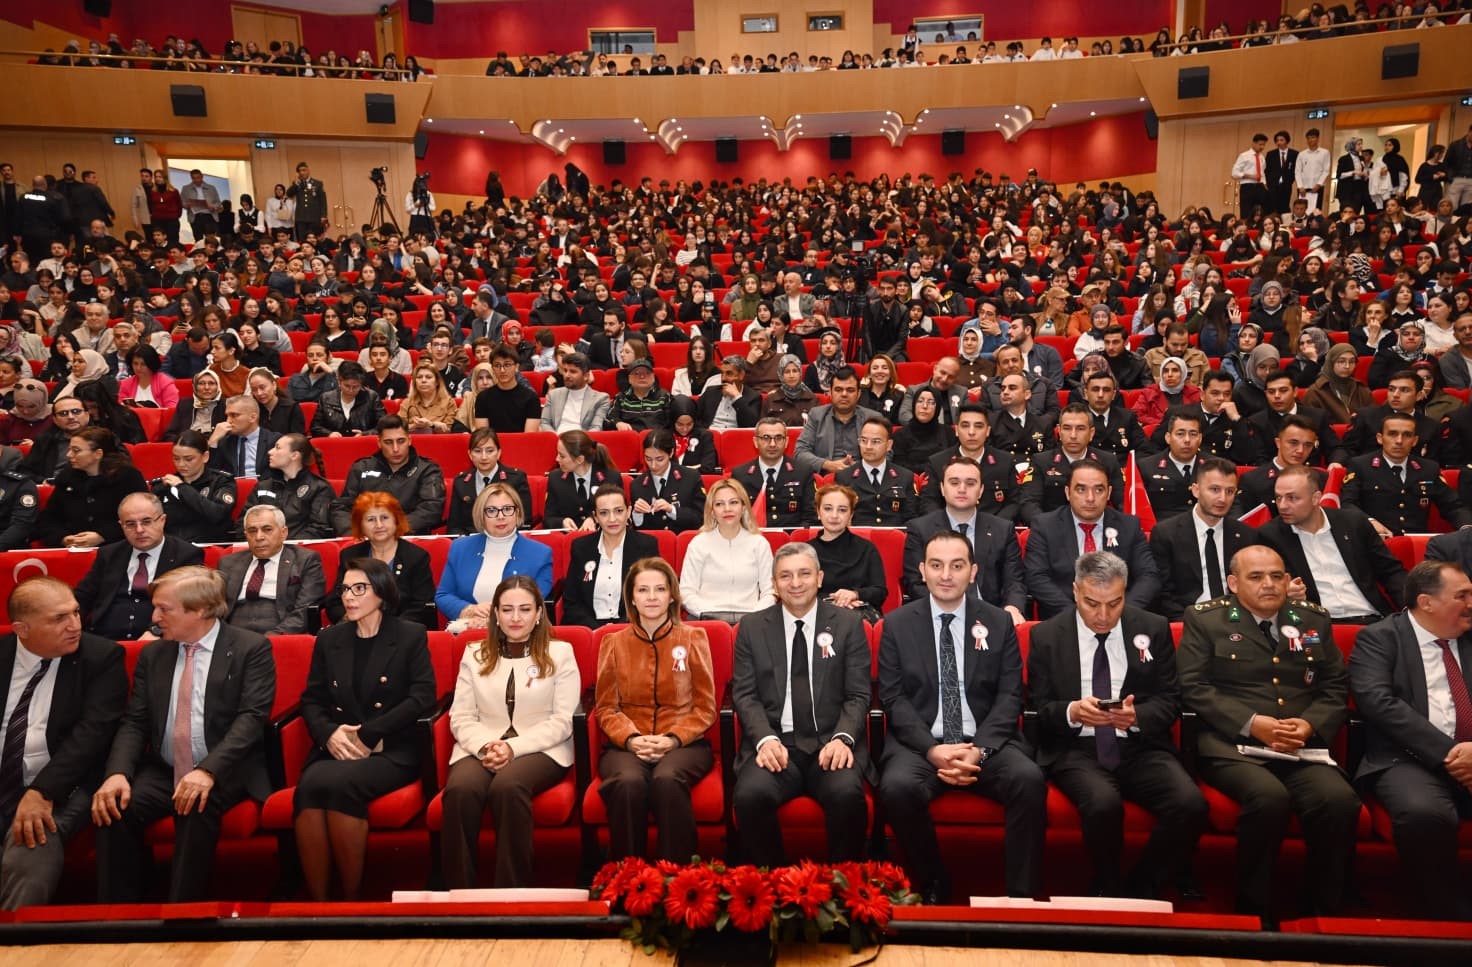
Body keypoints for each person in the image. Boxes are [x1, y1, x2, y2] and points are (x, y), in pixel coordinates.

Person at [1177, 544, 1358, 921]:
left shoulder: (1312, 621)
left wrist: (1309, 724)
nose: (1269, 585)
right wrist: (1251, 723)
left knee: (1338, 801)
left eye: (1277, 576)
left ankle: (1321, 912)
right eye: (1256, 577)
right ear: (1232, 583)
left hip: (1298, 744)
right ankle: (1254, 909)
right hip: (1230, 744)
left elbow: (1334, 687)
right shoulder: (1206, 620)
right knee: (1268, 798)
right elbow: (1194, 686)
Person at [1027, 552, 1207, 898]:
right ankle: (1106, 885)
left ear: (1126, 593)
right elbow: (1038, 709)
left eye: (1115, 603)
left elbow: (1170, 699)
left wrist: (1137, 716)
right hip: (1077, 748)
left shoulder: (1152, 628)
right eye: (1093, 603)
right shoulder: (1047, 635)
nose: (1104, 615)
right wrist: (1073, 712)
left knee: (1190, 804)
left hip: (1139, 744)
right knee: (1102, 803)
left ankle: (1142, 887)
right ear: (1076, 591)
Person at [877, 530, 1045, 902]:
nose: (946, 575)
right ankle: (935, 882)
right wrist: (931, 750)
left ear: (974, 571)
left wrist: (978, 750)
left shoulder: (999, 622)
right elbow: (893, 697)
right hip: (922, 742)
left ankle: (1021, 895)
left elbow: (1009, 696)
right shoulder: (897, 624)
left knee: (1029, 780)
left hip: (986, 742)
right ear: (922, 571)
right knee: (897, 788)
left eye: (957, 566)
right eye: (936, 566)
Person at [91, 566, 276, 903]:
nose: (155, 616)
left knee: (194, 804)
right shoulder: (154, 654)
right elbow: (135, 721)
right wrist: (117, 773)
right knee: (114, 807)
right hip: (165, 769)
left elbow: (251, 719)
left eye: (165, 608)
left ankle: (183, 915)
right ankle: (120, 917)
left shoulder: (251, 648)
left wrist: (207, 771)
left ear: (201, 610)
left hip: (225, 768)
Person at [294, 557, 434, 901]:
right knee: (308, 787)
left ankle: (350, 899)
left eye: (359, 589)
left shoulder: (409, 635)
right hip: (338, 744)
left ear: (382, 593)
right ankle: (318, 904)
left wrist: (369, 734)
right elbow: (311, 699)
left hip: (391, 748)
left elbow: (422, 697)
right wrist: (328, 734)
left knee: (341, 786)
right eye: (345, 589)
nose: (349, 598)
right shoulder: (330, 639)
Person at [730, 543, 871, 867]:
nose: (795, 583)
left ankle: (841, 891)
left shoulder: (849, 625)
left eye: (804, 574)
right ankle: (775, 890)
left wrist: (843, 738)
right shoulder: (752, 628)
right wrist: (765, 739)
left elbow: (859, 694)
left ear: (820, 578)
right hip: (777, 744)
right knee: (750, 796)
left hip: (830, 743)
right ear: (775, 583)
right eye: (786, 576)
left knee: (848, 796)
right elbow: (746, 694)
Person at [1349, 560, 1472, 922]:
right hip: (1405, 759)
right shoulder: (1380, 638)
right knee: (1424, 814)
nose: (1471, 603)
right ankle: (1452, 920)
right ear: (1427, 602)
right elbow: (1378, 703)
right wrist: (1451, 753)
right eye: (1462, 596)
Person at [442, 575, 579, 888]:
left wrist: (513, 748)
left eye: (524, 609)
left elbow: (563, 720)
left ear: (539, 614)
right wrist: (486, 746)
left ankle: (512, 893)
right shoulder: (474, 653)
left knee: (508, 786)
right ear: (496, 614)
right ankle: (458, 893)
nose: (516, 618)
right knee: (460, 791)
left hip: (541, 747)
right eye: (507, 610)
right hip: (481, 744)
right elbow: (461, 716)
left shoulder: (561, 653)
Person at [0, 577, 127, 910]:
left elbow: (92, 736)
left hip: (66, 782)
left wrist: (43, 791)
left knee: (31, 838)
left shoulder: (101, 657)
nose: (74, 625)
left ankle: (14, 947)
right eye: (58, 619)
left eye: (75, 612)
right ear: (22, 629)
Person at [594, 557, 716, 861]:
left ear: (672, 595)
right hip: (626, 746)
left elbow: (705, 707)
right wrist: (633, 739)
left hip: (684, 744)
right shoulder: (613, 642)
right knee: (627, 783)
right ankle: (627, 877)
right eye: (643, 590)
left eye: (659, 589)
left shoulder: (693, 638)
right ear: (631, 598)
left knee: (667, 779)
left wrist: (672, 739)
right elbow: (606, 708)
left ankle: (676, 879)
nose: (651, 597)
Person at [1259, 466, 1407, 623]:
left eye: (1292, 498)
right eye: (1279, 498)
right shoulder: (1270, 536)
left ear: (1316, 498)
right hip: (1318, 624)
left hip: (1372, 619)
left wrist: (1411, 607)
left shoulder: (1353, 523)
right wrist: (1286, 593)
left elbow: (1391, 571)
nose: (1282, 506)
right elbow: (1269, 586)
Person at [1024, 460, 1160, 619]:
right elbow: (1036, 577)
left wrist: (1118, 612)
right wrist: (1078, 615)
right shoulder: (1045, 526)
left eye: (1099, 490)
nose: (1090, 498)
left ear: (1109, 493)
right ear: (1068, 493)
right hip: (1063, 618)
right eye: (1081, 489)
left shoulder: (1129, 526)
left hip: (1120, 618)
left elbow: (1149, 576)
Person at [902, 455, 1027, 619]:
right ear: (942, 488)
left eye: (970, 483)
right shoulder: (920, 529)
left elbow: (1014, 581)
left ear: (981, 490)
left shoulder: (1003, 529)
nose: (962, 489)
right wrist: (952, 607)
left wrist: (1013, 606)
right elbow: (915, 584)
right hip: (939, 613)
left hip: (992, 616)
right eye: (954, 483)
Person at [1150, 457, 1262, 620]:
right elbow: (1164, 595)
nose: (1223, 498)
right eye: (1215, 489)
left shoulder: (1247, 535)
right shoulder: (1166, 533)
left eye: (1230, 491)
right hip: (1190, 620)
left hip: (1238, 619)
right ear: (1196, 490)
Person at [437, 484, 553, 627]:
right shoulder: (460, 548)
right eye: (491, 511)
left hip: (518, 631)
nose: (500, 516)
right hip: (468, 628)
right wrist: (470, 610)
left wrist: (494, 619)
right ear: (481, 515)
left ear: (517, 512)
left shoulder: (540, 554)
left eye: (507, 509)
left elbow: (535, 602)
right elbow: (443, 595)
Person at [1340, 412, 1470, 536]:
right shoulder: (1361, 466)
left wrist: (1467, 527)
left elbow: (1453, 506)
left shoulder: (1428, 469)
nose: (1399, 441)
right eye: (1392, 434)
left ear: (1414, 441)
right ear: (1380, 438)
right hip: (1376, 541)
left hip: (1416, 545)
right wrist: (1370, 522)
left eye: (1407, 435)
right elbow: (1347, 504)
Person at [325, 493, 437, 629]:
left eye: (384, 518)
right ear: (360, 525)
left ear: (396, 520)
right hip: (357, 629)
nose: (378, 525)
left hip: (402, 632)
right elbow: (334, 602)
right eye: (371, 519)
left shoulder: (416, 556)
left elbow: (421, 605)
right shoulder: (350, 556)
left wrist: (388, 628)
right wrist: (350, 618)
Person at [217, 505, 326, 636]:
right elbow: (215, 607)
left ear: (283, 533)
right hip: (233, 635)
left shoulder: (305, 560)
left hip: (280, 631)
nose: (259, 537)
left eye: (267, 529)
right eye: (252, 531)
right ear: (245, 535)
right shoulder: (228, 562)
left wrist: (274, 637)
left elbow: (304, 610)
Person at [562, 485, 660, 628]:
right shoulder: (581, 547)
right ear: (595, 517)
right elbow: (571, 602)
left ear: (629, 512)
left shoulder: (646, 546)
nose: (612, 519)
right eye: (604, 513)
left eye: (619, 511)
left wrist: (619, 629)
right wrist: (597, 630)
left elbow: (651, 598)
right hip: (589, 628)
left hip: (632, 627)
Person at [679, 478, 775, 623]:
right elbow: (686, 592)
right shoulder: (699, 543)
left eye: (733, 502)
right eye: (719, 504)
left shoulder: (759, 543)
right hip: (706, 620)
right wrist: (708, 614)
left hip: (751, 620)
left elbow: (770, 591)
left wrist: (753, 617)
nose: (727, 509)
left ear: (743, 507)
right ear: (712, 511)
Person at [330, 416, 446, 535]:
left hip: (408, 538)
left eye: (401, 441)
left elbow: (431, 510)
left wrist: (389, 530)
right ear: (379, 443)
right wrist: (356, 533)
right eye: (388, 442)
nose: (395, 449)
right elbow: (341, 508)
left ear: (409, 440)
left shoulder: (427, 469)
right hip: (366, 539)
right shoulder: (361, 468)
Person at [36, 427, 147, 549]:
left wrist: (102, 536)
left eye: (76, 450)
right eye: (69, 450)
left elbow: (142, 518)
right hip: (72, 549)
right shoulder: (67, 477)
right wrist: (63, 538)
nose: (69, 455)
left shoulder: (127, 477)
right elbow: (49, 518)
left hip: (119, 547)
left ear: (98, 454)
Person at [810, 483, 888, 623]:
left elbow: (880, 591)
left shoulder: (867, 548)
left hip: (859, 612)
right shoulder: (806, 551)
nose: (834, 515)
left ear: (851, 515)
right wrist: (833, 602)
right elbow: (800, 590)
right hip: (817, 613)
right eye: (828, 508)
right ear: (818, 512)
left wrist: (855, 594)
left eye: (842, 510)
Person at [238, 433, 336, 541]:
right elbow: (243, 522)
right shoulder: (263, 486)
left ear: (294, 455)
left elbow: (318, 528)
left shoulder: (319, 487)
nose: (270, 452)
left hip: (298, 552)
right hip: (260, 548)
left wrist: (281, 547)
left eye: (277, 448)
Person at [150, 429, 238, 544]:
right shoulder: (163, 485)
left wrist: (182, 488)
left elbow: (217, 514)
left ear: (205, 457)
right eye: (176, 458)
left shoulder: (221, 481)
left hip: (210, 545)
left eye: (188, 459)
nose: (181, 464)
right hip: (172, 548)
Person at [794, 366, 878, 477]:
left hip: (863, 478)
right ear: (830, 393)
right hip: (825, 477)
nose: (844, 394)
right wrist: (827, 464)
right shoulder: (816, 415)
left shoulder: (872, 418)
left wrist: (861, 467)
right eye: (838, 390)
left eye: (850, 390)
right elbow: (800, 452)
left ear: (859, 394)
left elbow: (886, 453)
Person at [730, 416, 814, 528]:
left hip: (791, 542)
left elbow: (810, 517)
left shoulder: (803, 472)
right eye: (766, 438)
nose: (772, 444)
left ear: (786, 442)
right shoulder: (740, 475)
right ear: (756, 442)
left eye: (778, 438)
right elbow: (735, 517)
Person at [447, 428, 533, 534]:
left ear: (499, 453)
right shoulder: (461, 482)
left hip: (506, 539)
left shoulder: (516, 479)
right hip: (472, 542)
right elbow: (454, 526)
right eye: (478, 451)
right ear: (470, 454)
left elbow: (524, 521)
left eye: (490, 451)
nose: (484, 457)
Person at [629, 428, 706, 532]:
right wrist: (637, 514)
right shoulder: (637, 485)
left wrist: (672, 510)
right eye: (648, 459)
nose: (653, 465)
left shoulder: (691, 478)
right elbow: (638, 530)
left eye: (659, 459)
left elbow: (701, 518)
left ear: (671, 453)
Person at [207, 393, 280, 479]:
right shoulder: (225, 442)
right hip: (232, 490)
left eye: (234, 415)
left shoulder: (274, 441)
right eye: (227, 416)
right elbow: (211, 473)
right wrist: (213, 440)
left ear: (252, 417)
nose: (228, 421)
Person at [310, 361, 387, 439]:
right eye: (347, 386)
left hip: (362, 444)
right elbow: (315, 427)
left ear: (361, 384)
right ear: (339, 381)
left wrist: (365, 434)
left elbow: (383, 426)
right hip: (334, 444)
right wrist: (328, 434)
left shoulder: (372, 397)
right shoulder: (326, 398)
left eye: (356, 387)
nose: (351, 390)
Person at [540, 352, 610, 432]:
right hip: (556, 439)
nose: (567, 375)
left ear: (586, 376)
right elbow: (544, 422)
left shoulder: (601, 399)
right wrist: (556, 438)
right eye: (565, 370)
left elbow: (596, 427)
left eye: (573, 371)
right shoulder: (554, 395)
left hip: (583, 441)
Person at [696, 355, 763, 430]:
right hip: (710, 435)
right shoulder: (711, 392)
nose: (723, 378)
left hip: (736, 437)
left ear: (741, 375)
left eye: (729, 373)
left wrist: (737, 397)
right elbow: (695, 417)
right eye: (722, 373)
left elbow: (751, 425)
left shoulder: (753, 397)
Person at [163, 367, 226, 443]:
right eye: (201, 383)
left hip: (214, 448)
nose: (206, 387)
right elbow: (169, 434)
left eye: (211, 383)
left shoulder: (225, 405)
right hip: (186, 447)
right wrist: (184, 443)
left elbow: (229, 435)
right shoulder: (184, 404)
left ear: (218, 387)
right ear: (195, 387)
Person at [284, 162, 327, 241]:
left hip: (314, 217)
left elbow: (323, 201)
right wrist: (296, 183)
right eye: (300, 171)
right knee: (302, 239)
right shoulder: (297, 184)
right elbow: (289, 194)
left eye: (304, 170)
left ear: (308, 171)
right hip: (301, 217)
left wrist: (323, 215)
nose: (302, 172)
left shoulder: (317, 183)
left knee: (314, 238)